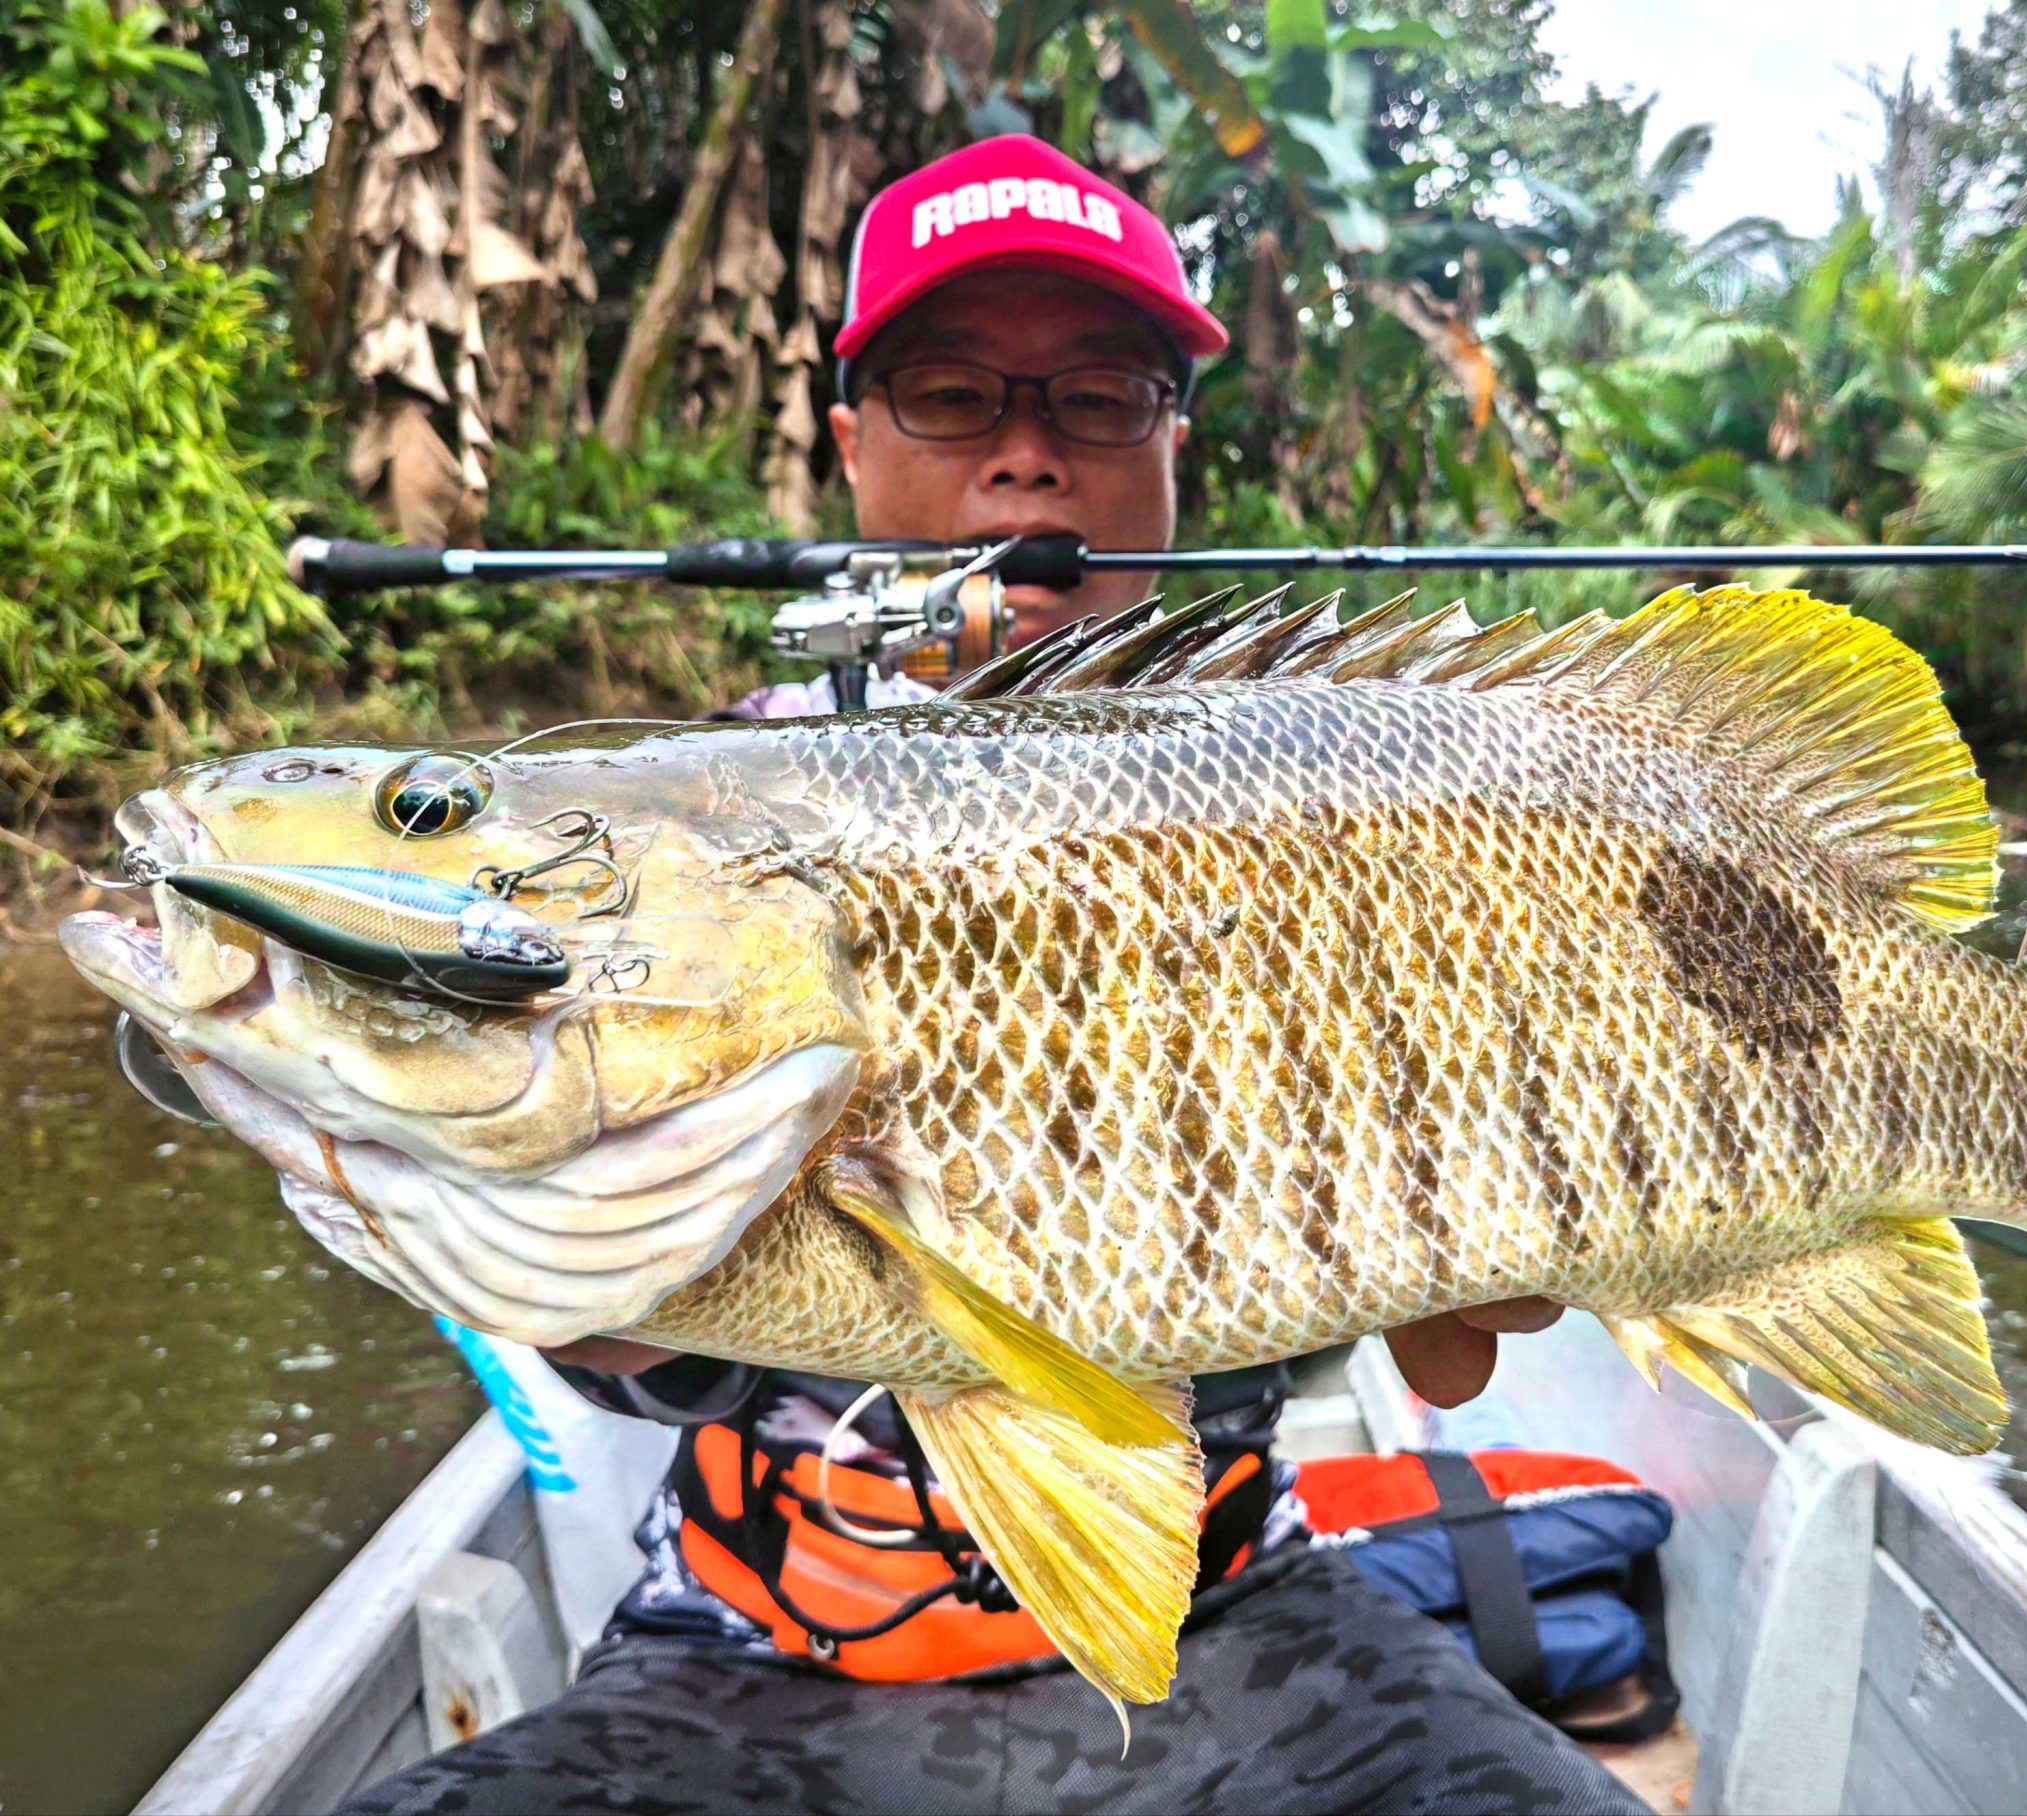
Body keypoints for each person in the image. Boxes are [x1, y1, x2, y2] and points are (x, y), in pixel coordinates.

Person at [338, 136, 1621, 1816]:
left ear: (1174, 445)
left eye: (1101, 398)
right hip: (743, 1641)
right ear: (852, 440)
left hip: (1236, 1610)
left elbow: (1342, 1304)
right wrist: (619, 1296)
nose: (1028, 460)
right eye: (952, 396)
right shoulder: (678, 824)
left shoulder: (1344, 813)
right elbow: (585, 1311)